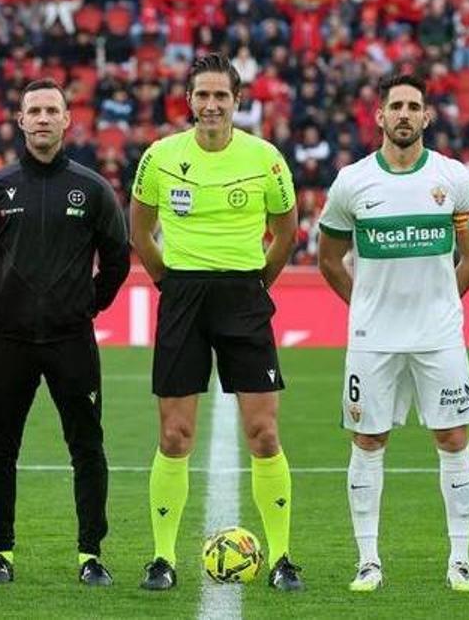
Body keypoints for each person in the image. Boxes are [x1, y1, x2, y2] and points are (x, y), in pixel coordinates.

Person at [129, 53, 303, 592]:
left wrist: (255, 287)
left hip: (244, 296)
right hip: (182, 295)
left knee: (264, 433)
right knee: (176, 435)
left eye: (220, 96)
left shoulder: (266, 159)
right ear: (189, 100)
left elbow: (286, 232)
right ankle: (162, 558)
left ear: (237, 101)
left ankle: (281, 558)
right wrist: (170, 284)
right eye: (202, 95)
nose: (210, 105)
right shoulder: (159, 157)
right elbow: (140, 231)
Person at [318, 74, 469, 593]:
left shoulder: (452, 177)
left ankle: (459, 561)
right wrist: (365, 305)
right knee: (368, 440)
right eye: (397, 106)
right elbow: (329, 258)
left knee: (453, 439)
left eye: (415, 106)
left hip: (440, 337)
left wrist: (444, 303)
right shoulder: (351, 181)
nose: (406, 114)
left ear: (427, 117)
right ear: (380, 116)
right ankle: (368, 561)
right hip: (374, 339)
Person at [0, 79, 130, 586]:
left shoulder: (92, 189)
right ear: (20, 120)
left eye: (51, 110)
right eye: (33, 110)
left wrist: (85, 305)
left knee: (87, 446)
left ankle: (90, 555)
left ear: (66, 120)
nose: (41, 118)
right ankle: (0, 554)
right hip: (8, 340)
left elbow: (117, 261)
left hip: (71, 340)